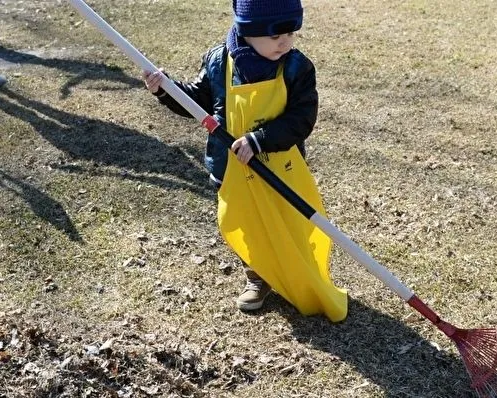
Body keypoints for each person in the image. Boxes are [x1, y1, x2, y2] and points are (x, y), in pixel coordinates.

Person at [143, 0, 347, 321]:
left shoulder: (296, 68)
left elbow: (301, 118)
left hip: (280, 168)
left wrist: (259, 139)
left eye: (292, 33)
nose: (286, 42)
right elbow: (198, 103)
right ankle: (258, 275)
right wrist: (167, 91)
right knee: (247, 225)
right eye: (276, 35)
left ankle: (294, 272)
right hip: (231, 168)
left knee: (288, 223)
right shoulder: (217, 62)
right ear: (249, 30)